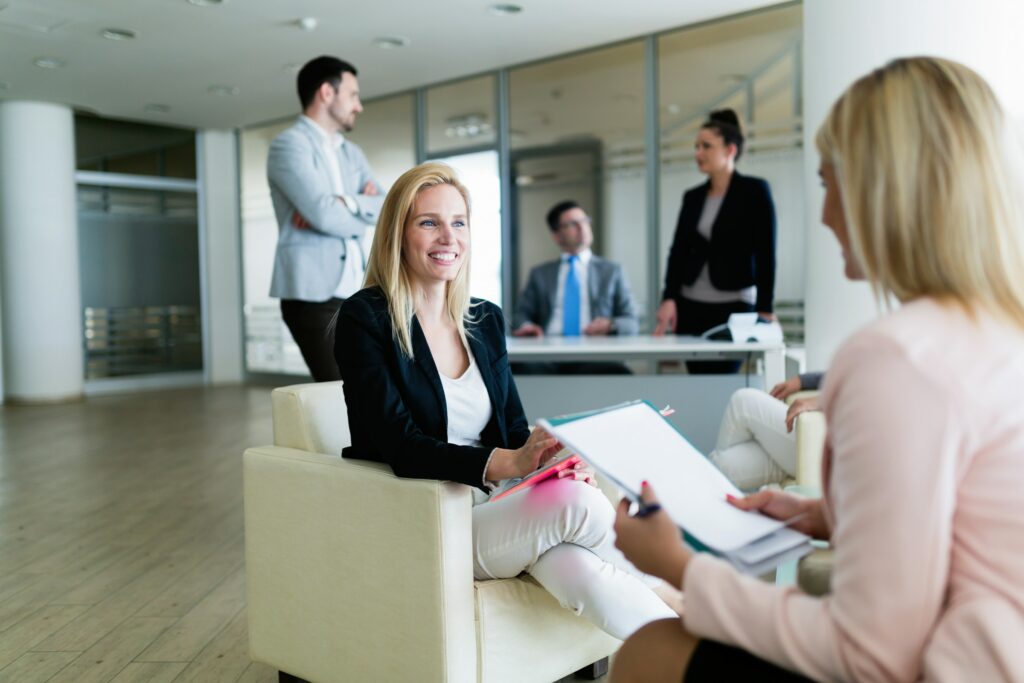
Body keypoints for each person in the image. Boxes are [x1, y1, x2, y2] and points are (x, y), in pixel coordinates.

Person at [610, 57, 1024, 682]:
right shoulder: (999, 333)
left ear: (883, 189)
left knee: (650, 650)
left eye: (829, 184)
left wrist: (683, 570)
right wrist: (827, 515)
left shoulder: (895, 358)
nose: (826, 216)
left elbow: (868, 653)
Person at [334, 162, 676, 640]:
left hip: (500, 507)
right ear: (398, 232)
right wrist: (513, 463)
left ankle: (702, 658)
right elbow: (401, 445)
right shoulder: (364, 318)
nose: (447, 237)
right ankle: (691, 592)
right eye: (428, 222)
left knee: (579, 571)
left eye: (458, 222)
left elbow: (514, 428)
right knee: (577, 503)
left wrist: (547, 458)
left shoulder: (484, 319)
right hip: (431, 516)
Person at [267, 55, 384, 381]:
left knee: (369, 390)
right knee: (340, 391)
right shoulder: (289, 146)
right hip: (312, 296)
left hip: (355, 292)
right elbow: (324, 215)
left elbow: (386, 204)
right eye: (353, 95)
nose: (358, 106)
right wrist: (358, 209)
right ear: (326, 93)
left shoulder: (351, 152)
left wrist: (345, 201)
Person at [653, 109, 776, 374]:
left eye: (706, 146)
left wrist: (765, 309)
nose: (698, 152)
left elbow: (767, 251)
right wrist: (668, 298)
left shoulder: (754, 191)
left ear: (730, 149)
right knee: (698, 380)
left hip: (734, 307)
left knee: (724, 381)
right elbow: (678, 251)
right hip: (690, 306)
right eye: (696, 146)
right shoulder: (693, 197)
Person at [512, 200, 639, 375]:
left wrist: (611, 325)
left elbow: (632, 321)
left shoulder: (612, 272)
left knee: (616, 372)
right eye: (573, 224)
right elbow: (520, 314)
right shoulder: (540, 274)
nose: (582, 227)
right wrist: (526, 325)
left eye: (585, 220)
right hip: (547, 353)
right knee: (517, 370)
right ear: (556, 235)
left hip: (594, 353)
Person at [708, 372, 823, 491]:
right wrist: (804, 381)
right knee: (720, 466)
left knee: (742, 402)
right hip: (818, 445)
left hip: (827, 446)